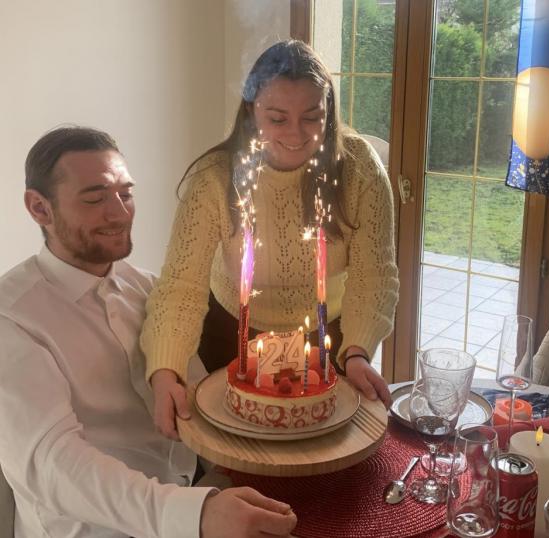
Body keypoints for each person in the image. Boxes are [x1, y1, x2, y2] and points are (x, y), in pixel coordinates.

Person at [0, 126, 297, 537]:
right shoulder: (12, 319)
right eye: (95, 198)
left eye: (125, 193)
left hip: (190, 493)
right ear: (39, 208)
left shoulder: (149, 288)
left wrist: (253, 460)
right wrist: (195, 515)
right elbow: (53, 463)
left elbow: (196, 397)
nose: (119, 213)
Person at [141, 39, 399, 440]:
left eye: (312, 117)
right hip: (231, 336)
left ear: (329, 111)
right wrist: (165, 370)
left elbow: (375, 276)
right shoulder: (214, 178)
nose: (296, 133)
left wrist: (358, 351)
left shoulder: (359, 170)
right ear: (251, 110)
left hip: (330, 339)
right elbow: (180, 287)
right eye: (278, 118)